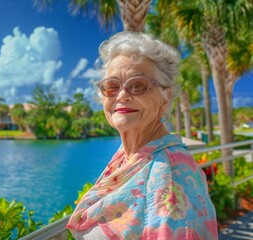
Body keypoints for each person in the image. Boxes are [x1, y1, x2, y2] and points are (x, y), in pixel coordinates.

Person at [66, 32, 218, 239]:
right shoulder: (131, 155)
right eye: (112, 86)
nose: (121, 95)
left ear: (166, 96)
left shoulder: (170, 178)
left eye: (138, 85)